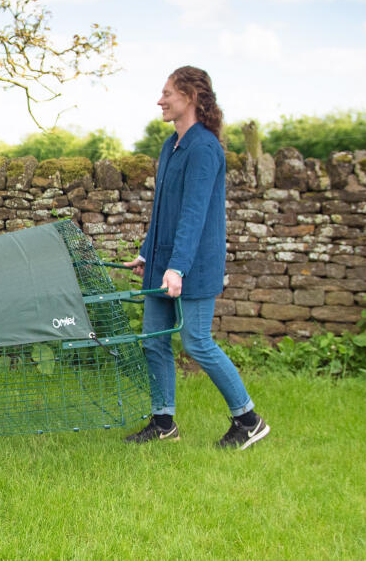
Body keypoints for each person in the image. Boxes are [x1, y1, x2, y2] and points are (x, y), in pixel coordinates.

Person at [123, 66, 270, 449]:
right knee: (153, 340)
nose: (160, 100)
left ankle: (248, 420)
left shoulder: (204, 148)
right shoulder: (171, 145)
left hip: (192, 266)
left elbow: (193, 214)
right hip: (163, 265)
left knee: (197, 342)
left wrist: (177, 268)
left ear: (189, 96)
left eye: (167, 92)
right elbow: (163, 210)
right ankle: (163, 422)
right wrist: (148, 254)